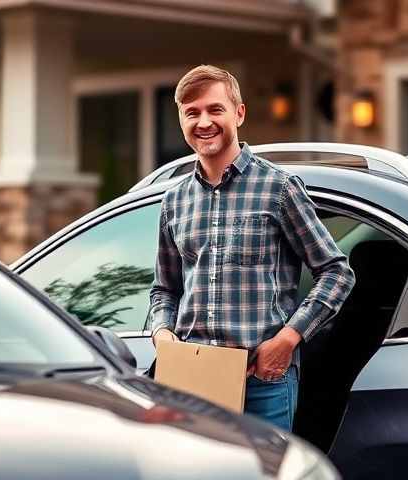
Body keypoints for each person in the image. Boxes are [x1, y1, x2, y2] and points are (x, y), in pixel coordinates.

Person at [148, 65, 355, 431]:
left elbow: (336, 272)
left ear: (239, 113)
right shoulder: (174, 200)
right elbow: (165, 289)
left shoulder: (278, 188)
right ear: (180, 119)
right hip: (190, 380)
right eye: (191, 112)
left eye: (215, 109)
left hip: (262, 383)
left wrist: (288, 340)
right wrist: (162, 334)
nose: (204, 122)